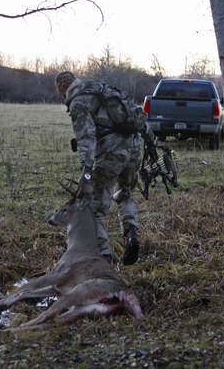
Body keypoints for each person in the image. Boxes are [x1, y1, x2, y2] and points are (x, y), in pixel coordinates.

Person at [55, 71, 154, 266]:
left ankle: (104, 257)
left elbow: (86, 138)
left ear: (60, 89)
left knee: (95, 209)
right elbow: (137, 115)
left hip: (110, 154)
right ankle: (132, 234)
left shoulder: (78, 102)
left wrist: (86, 170)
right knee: (124, 194)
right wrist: (150, 140)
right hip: (134, 148)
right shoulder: (102, 89)